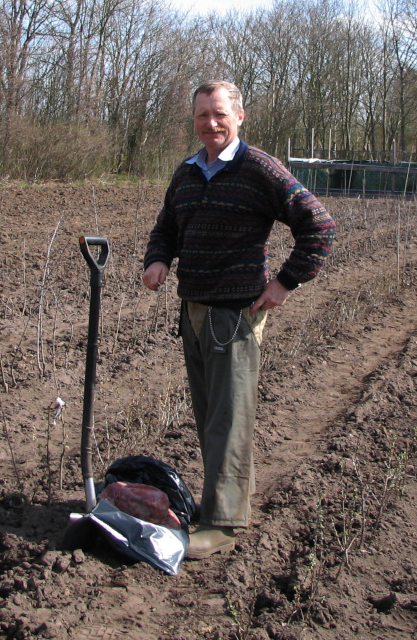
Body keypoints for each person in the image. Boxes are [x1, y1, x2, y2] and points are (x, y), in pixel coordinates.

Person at [142, 80, 336, 559]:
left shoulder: (259, 169)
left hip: (235, 313)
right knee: (210, 416)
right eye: (203, 114)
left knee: (229, 420)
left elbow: (320, 226)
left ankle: (224, 522)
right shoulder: (186, 173)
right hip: (194, 310)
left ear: (240, 116)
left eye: (220, 114)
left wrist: (286, 282)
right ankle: (222, 504)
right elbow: (167, 224)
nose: (211, 123)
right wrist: (158, 259)